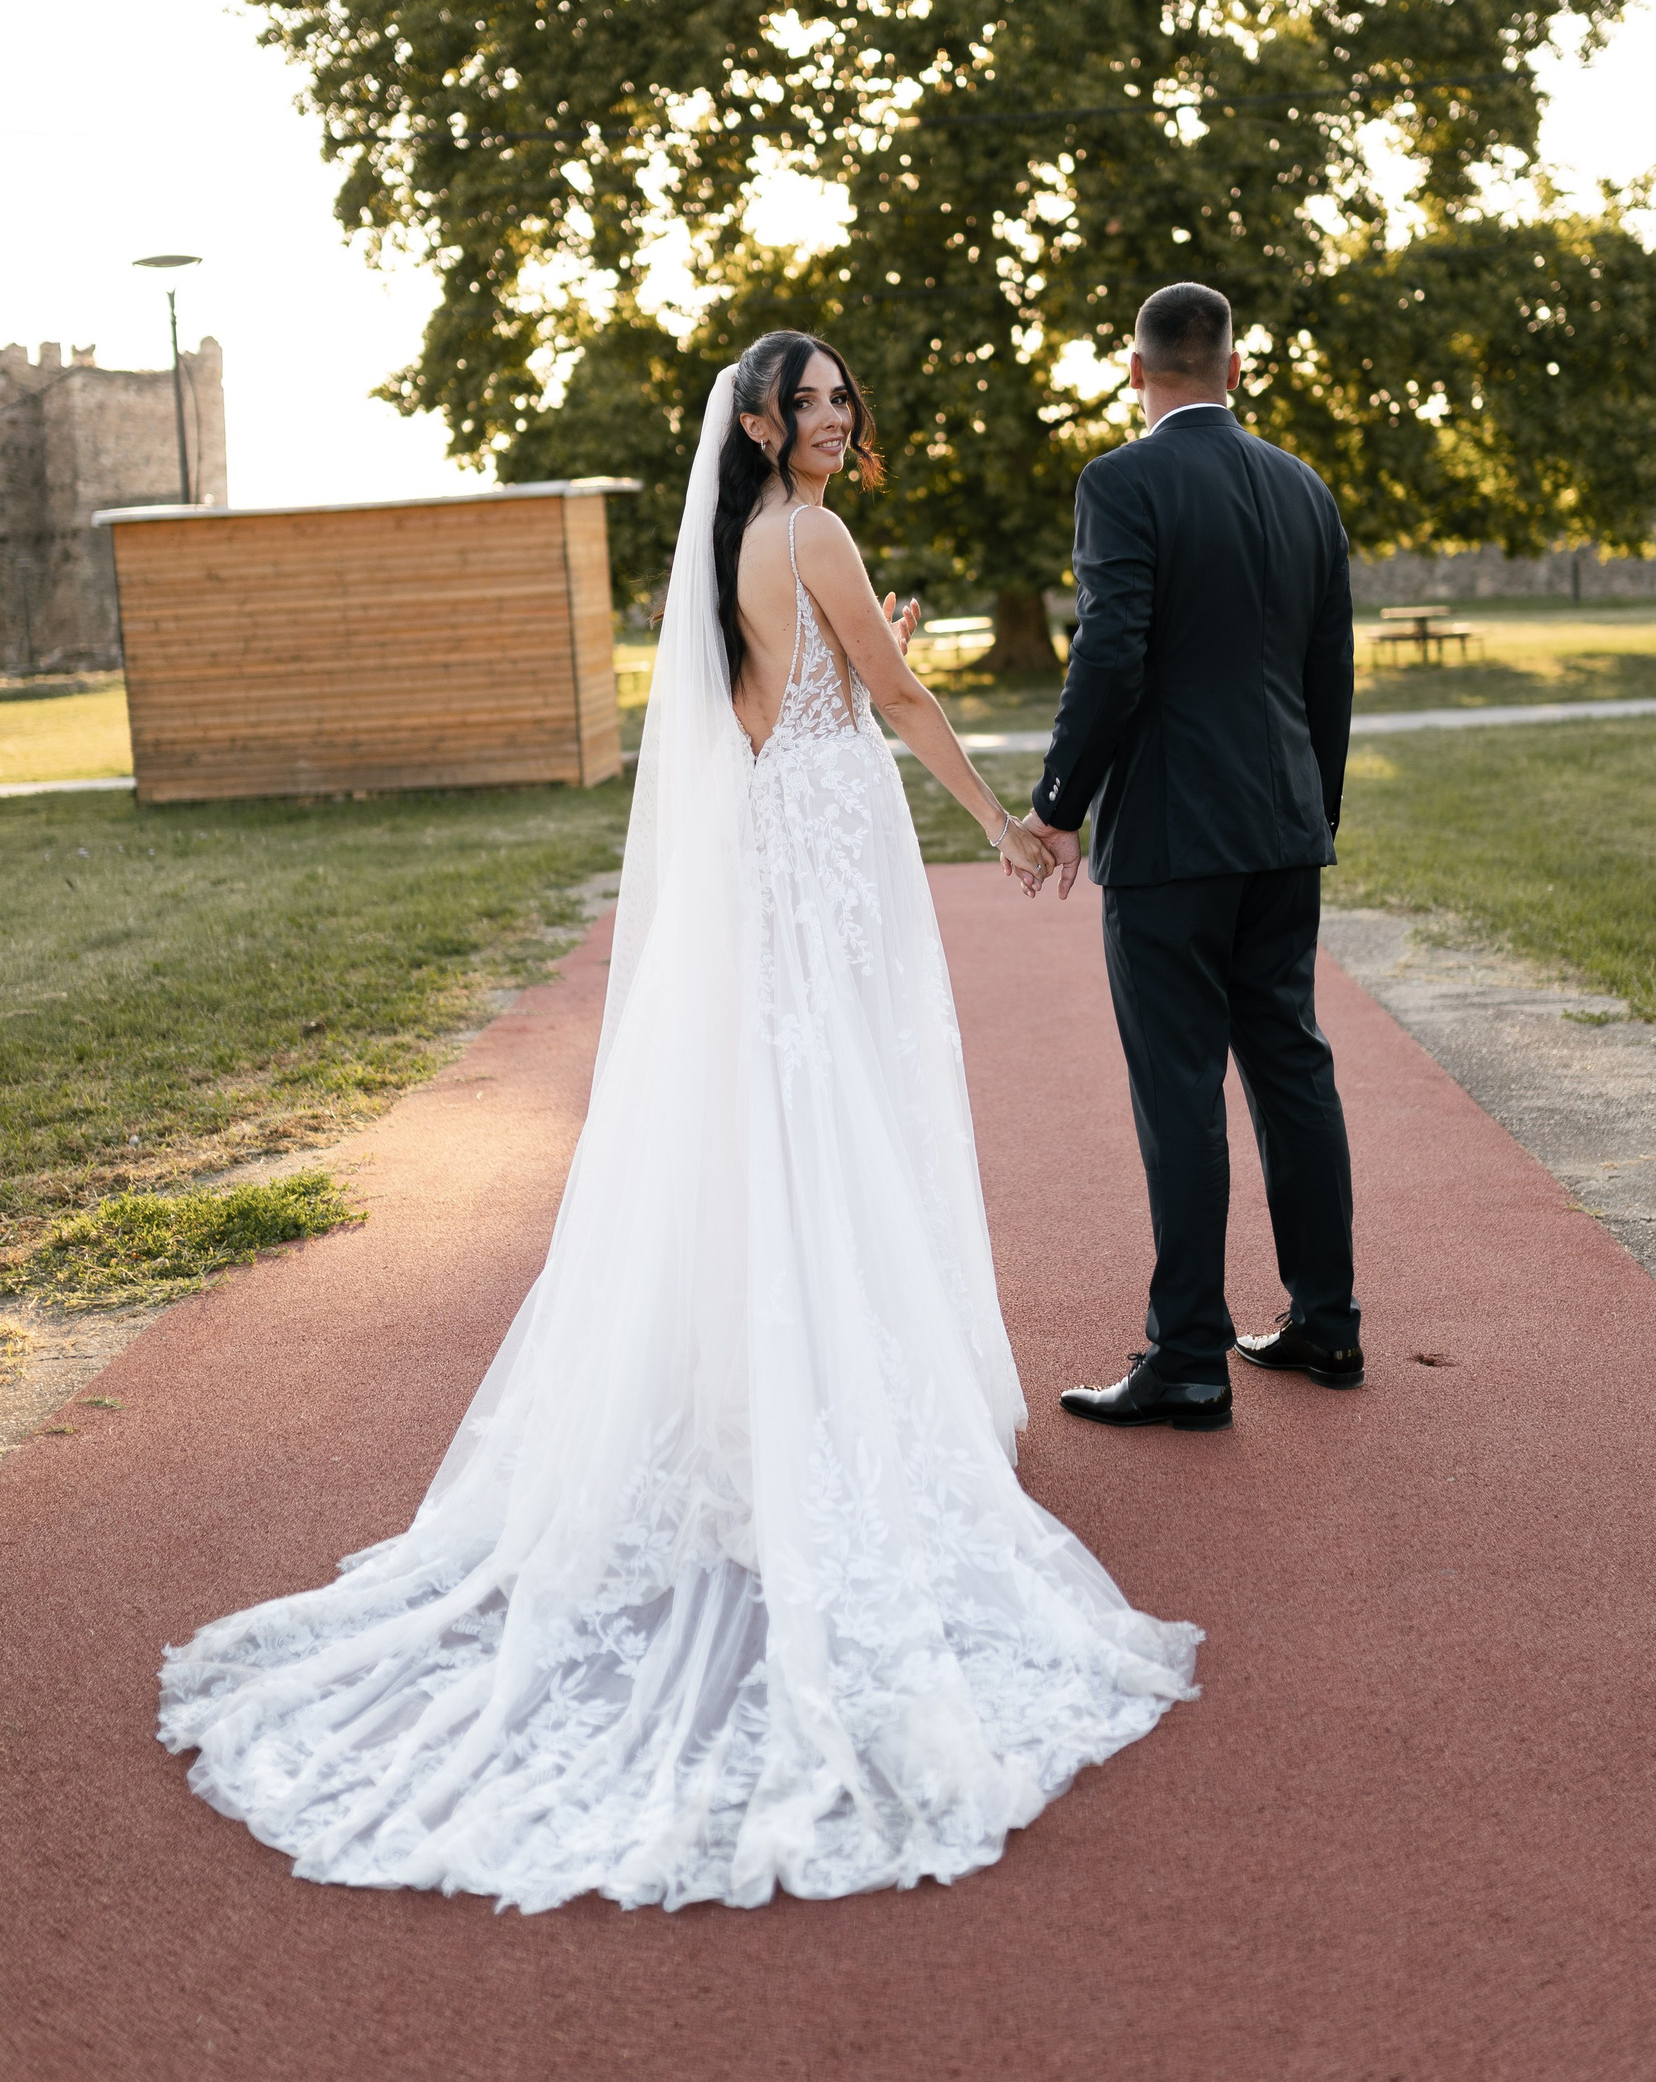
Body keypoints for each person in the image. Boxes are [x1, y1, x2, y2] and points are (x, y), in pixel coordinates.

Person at [159, 333, 1197, 1913]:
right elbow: (896, 694)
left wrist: (872, 669)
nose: (836, 416)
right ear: (761, 422)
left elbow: (792, 696)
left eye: (845, 396)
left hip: (785, 846)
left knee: (794, 1116)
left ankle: (753, 1406)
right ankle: (827, 1414)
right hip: (831, 851)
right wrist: (1004, 822)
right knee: (839, 1113)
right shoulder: (812, 531)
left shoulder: (733, 545)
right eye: (812, 400)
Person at [1024, 282, 1360, 1433]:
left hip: (1172, 838)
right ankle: (1328, 1321)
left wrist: (1059, 802)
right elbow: (1328, 673)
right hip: (1284, 831)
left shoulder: (1121, 481)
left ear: (1135, 370)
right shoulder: (1305, 487)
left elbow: (1110, 651)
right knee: (1292, 1066)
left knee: (1180, 1089)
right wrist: (1313, 810)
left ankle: (1188, 1360)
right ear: (1234, 368)